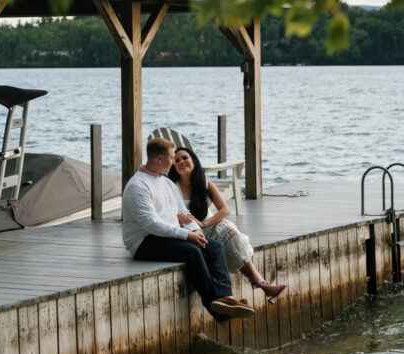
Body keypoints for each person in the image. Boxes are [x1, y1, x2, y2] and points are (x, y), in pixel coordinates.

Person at [122, 137, 255, 320]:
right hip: (144, 241)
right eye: (172, 158)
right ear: (160, 159)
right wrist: (187, 236)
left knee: (213, 247)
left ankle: (226, 297)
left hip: (168, 235)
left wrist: (195, 230)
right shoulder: (138, 185)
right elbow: (150, 223)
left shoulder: (167, 183)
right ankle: (215, 307)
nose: (174, 163)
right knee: (192, 251)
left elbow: (184, 212)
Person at [168, 145, 286, 304]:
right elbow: (168, 214)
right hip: (188, 230)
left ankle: (261, 284)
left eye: (185, 158)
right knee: (227, 235)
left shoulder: (205, 183)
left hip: (208, 224)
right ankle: (262, 285)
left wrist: (205, 223)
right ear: (173, 165)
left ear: (194, 161)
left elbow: (224, 210)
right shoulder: (171, 187)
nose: (181, 162)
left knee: (228, 229)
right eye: (176, 160)